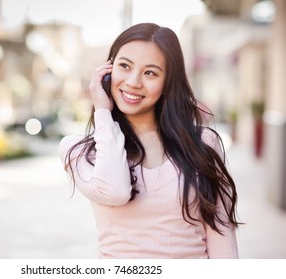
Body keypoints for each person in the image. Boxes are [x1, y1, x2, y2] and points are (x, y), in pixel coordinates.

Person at [59, 22, 240, 259]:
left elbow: (221, 232)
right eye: (124, 66)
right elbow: (115, 192)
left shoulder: (203, 143)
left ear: (167, 83)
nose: (134, 82)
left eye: (150, 72)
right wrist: (102, 113)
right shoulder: (79, 150)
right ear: (107, 70)